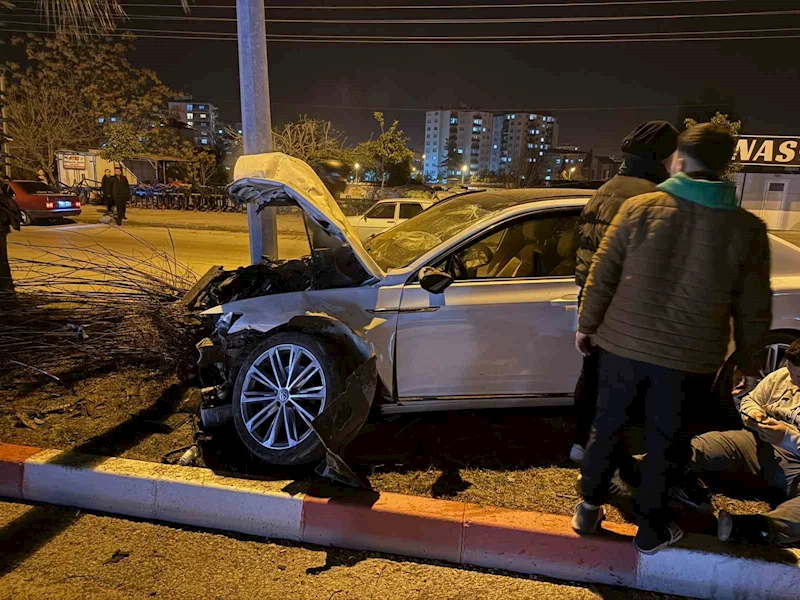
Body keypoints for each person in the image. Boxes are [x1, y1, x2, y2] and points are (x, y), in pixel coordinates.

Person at [571, 123, 772, 554]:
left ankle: (588, 507)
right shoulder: (747, 228)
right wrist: (749, 360)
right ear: (724, 168)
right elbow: (754, 305)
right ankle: (651, 530)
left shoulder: (640, 208)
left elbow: (602, 273)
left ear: (678, 160)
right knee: (667, 441)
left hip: (622, 344)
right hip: (690, 357)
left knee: (607, 426)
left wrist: (587, 326)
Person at [570, 121, 679, 463]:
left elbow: (585, 247)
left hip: (592, 297)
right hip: (628, 303)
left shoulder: (606, 188)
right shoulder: (653, 195)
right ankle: (618, 451)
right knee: (630, 383)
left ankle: (580, 443)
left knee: (592, 375)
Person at [674, 339, 800, 545]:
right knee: (706, 444)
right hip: (760, 446)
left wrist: (787, 437)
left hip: (796, 466)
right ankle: (647, 468)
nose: (792, 380)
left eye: (799, 377)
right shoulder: (783, 376)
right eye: (790, 371)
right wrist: (754, 414)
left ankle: (757, 528)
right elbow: (750, 400)